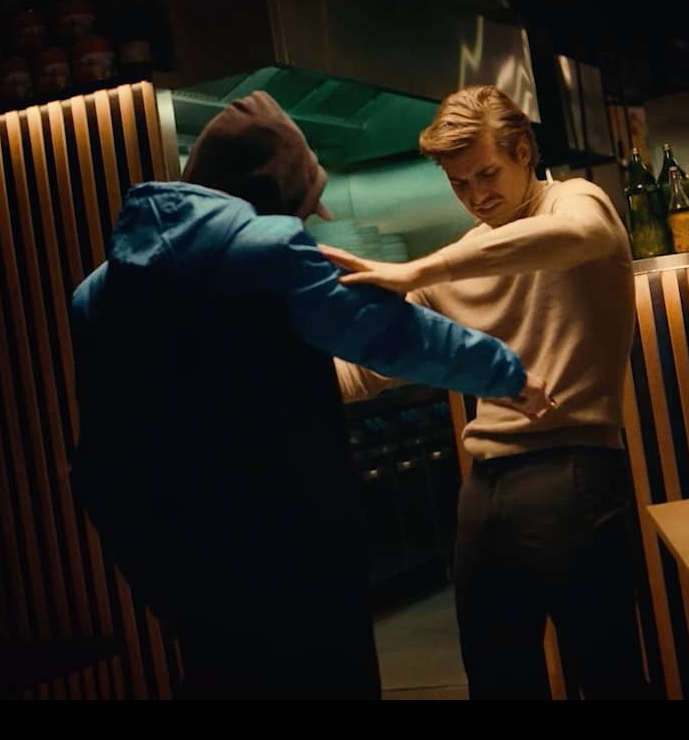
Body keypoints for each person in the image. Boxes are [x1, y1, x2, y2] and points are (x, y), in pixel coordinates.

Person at [69, 91, 550, 700]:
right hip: (292, 541)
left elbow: (101, 453)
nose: (314, 212)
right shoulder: (270, 250)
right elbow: (389, 334)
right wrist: (506, 372)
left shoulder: (96, 294)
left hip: (180, 556)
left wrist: (150, 569)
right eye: (306, 198)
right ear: (272, 187)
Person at [324, 84, 650, 700]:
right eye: (460, 184)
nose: (477, 197)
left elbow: (579, 236)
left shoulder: (574, 201)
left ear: (523, 151)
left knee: (606, 675)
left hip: (575, 472)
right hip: (485, 488)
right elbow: (366, 369)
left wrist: (421, 268)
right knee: (497, 676)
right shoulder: (467, 252)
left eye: (487, 174)